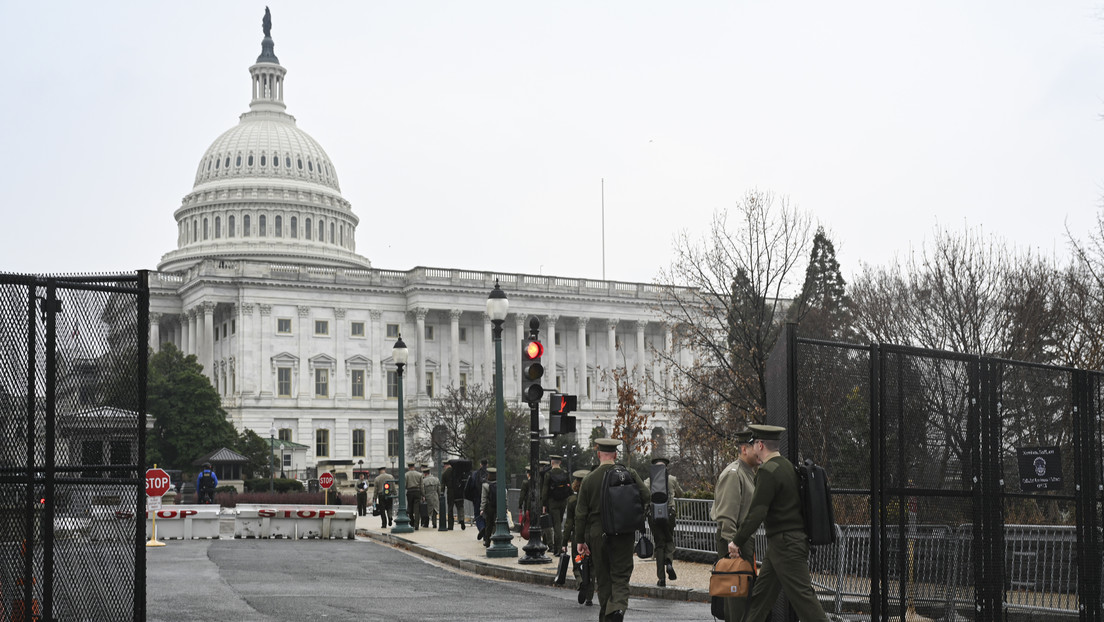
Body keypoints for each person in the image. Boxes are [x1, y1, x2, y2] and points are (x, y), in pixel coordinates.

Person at [732, 425, 828, 622]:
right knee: (761, 597)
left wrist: (737, 540)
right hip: (783, 543)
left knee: (804, 599)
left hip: (786, 544)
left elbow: (757, 511)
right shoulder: (787, 466)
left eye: (754, 444)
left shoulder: (767, 471)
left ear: (759, 445)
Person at [574, 438, 649, 622]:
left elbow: (580, 514)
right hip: (623, 532)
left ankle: (608, 614)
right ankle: (617, 609)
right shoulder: (628, 473)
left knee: (604, 578)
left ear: (599, 454)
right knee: (621, 576)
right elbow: (646, 496)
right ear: (616, 455)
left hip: (597, 535)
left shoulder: (589, 479)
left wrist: (580, 541)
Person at [712, 430, 759, 622]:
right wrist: (734, 547)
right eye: (756, 447)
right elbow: (727, 516)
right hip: (734, 544)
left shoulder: (748, 473)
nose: (759, 451)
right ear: (744, 449)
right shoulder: (734, 474)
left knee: (743, 593)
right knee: (736, 598)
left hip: (741, 541)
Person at [644, 456, 684, 587]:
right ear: (666, 467)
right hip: (669, 514)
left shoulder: (648, 481)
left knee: (659, 543)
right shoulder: (672, 479)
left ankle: (661, 578)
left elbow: (644, 497)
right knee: (669, 539)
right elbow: (681, 494)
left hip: (653, 515)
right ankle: (669, 563)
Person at [562, 469, 594, 607]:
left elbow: (569, 523)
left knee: (578, 561)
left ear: (575, 484)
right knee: (592, 565)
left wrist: (564, 541)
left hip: (578, 536)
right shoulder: (593, 500)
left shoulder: (572, 501)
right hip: (592, 535)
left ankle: (580, 580)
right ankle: (589, 598)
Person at [542, 455, 571, 555]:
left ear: (552, 462)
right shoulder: (565, 473)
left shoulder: (548, 474)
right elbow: (569, 489)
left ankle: (559, 549)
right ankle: (557, 548)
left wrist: (544, 504)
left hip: (552, 502)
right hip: (563, 502)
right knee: (559, 522)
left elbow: (545, 491)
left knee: (556, 525)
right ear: (560, 463)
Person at [479, 467, 498, 547]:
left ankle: (487, 541)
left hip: (489, 507)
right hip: (498, 507)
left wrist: (482, 509)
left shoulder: (485, 485)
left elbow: (484, 498)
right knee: (497, 523)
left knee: (488, 524)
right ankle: (496, 538)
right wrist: (506, 507)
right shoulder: (500, 484)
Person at [405, 462, 424, 530]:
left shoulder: (406, 475)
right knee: (417, 509)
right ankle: (416, 525)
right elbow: (422, 486)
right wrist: (423, 494)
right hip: (417, 492)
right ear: (414, 466)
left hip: (410, 492)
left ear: (408, 467)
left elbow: (405, 485)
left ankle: (411, 522)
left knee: (410, 508)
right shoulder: (419, 474)